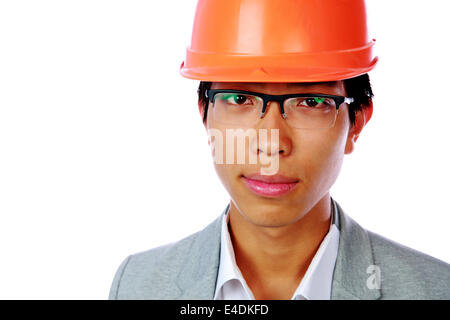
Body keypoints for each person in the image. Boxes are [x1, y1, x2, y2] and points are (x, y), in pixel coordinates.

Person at [108, 0, 450, 300]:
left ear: (356, 123)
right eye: (240, 98)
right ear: (205, 115)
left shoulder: (436, 290)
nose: (271, 143)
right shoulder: (137, 286)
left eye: (311, 101)